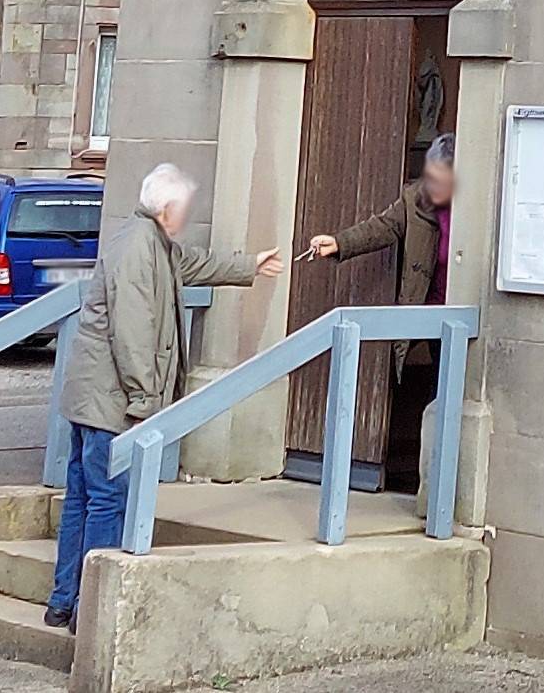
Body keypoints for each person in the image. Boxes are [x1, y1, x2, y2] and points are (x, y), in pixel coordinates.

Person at [45, 161, 280, 631]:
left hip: (93, 397)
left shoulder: (149, 242)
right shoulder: (139, 250)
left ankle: (65, 601)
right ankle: (88, 611)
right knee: (106, 501)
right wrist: (144, 402)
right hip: (111, 401)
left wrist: (247, 264)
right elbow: (133, 334)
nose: (186, 217)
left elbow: (191, 262)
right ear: (168, 208)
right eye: (184, 209)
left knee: (83, 497)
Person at [305, 132, 455, 496]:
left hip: (462, 318)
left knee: (452, 399)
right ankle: (427, 487)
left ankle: (439, 491)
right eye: (430, 177)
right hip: (429, 313)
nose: (433, 186)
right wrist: (339, 242)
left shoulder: (479, 205)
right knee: (435, 391)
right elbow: (383, 227)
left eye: (441, 179)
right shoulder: (415, 200)